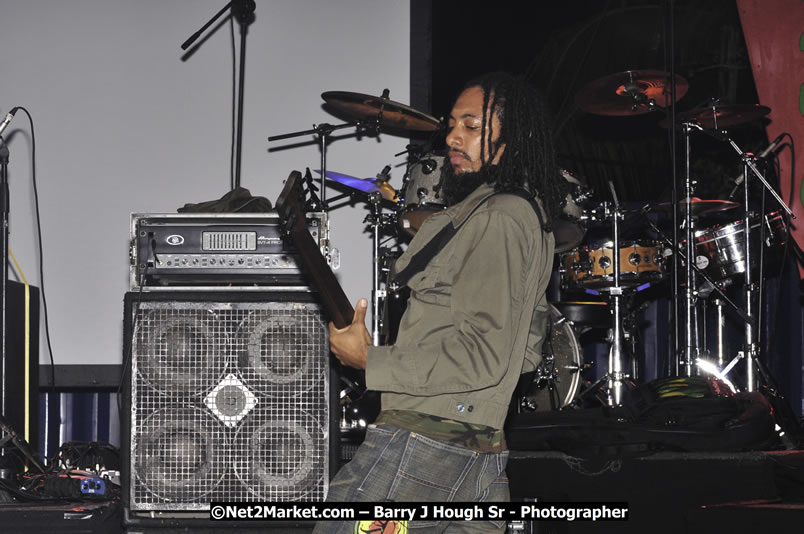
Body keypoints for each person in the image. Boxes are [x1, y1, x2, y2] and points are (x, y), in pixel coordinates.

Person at [314, 72, 568, 533]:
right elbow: (524, 351)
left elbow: (483, 354)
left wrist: (369, 361)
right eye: (453, 124)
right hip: (473, 443)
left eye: (472, 126)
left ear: (516, 138)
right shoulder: (505, 212)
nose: (453, 136)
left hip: (428, 438)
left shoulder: (499, 219)